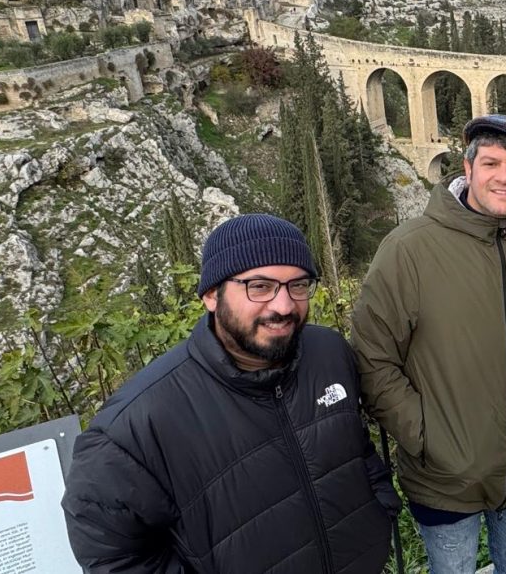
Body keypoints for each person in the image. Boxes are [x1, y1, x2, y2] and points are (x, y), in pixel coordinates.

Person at [62, 214, 400, 574]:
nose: (284, 306)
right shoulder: (134, 427)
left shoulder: (328, 352)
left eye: (298, 285)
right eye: (260, 286)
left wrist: (379, 509)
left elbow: (355, 446)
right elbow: (114, 557)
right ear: (211, 294)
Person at [352, 114, 506, 574]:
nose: (504, 177)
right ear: (467, 169)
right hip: (445, 477)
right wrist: (427, 437)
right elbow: (373, 359)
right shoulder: (407, 250)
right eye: (491, 163)